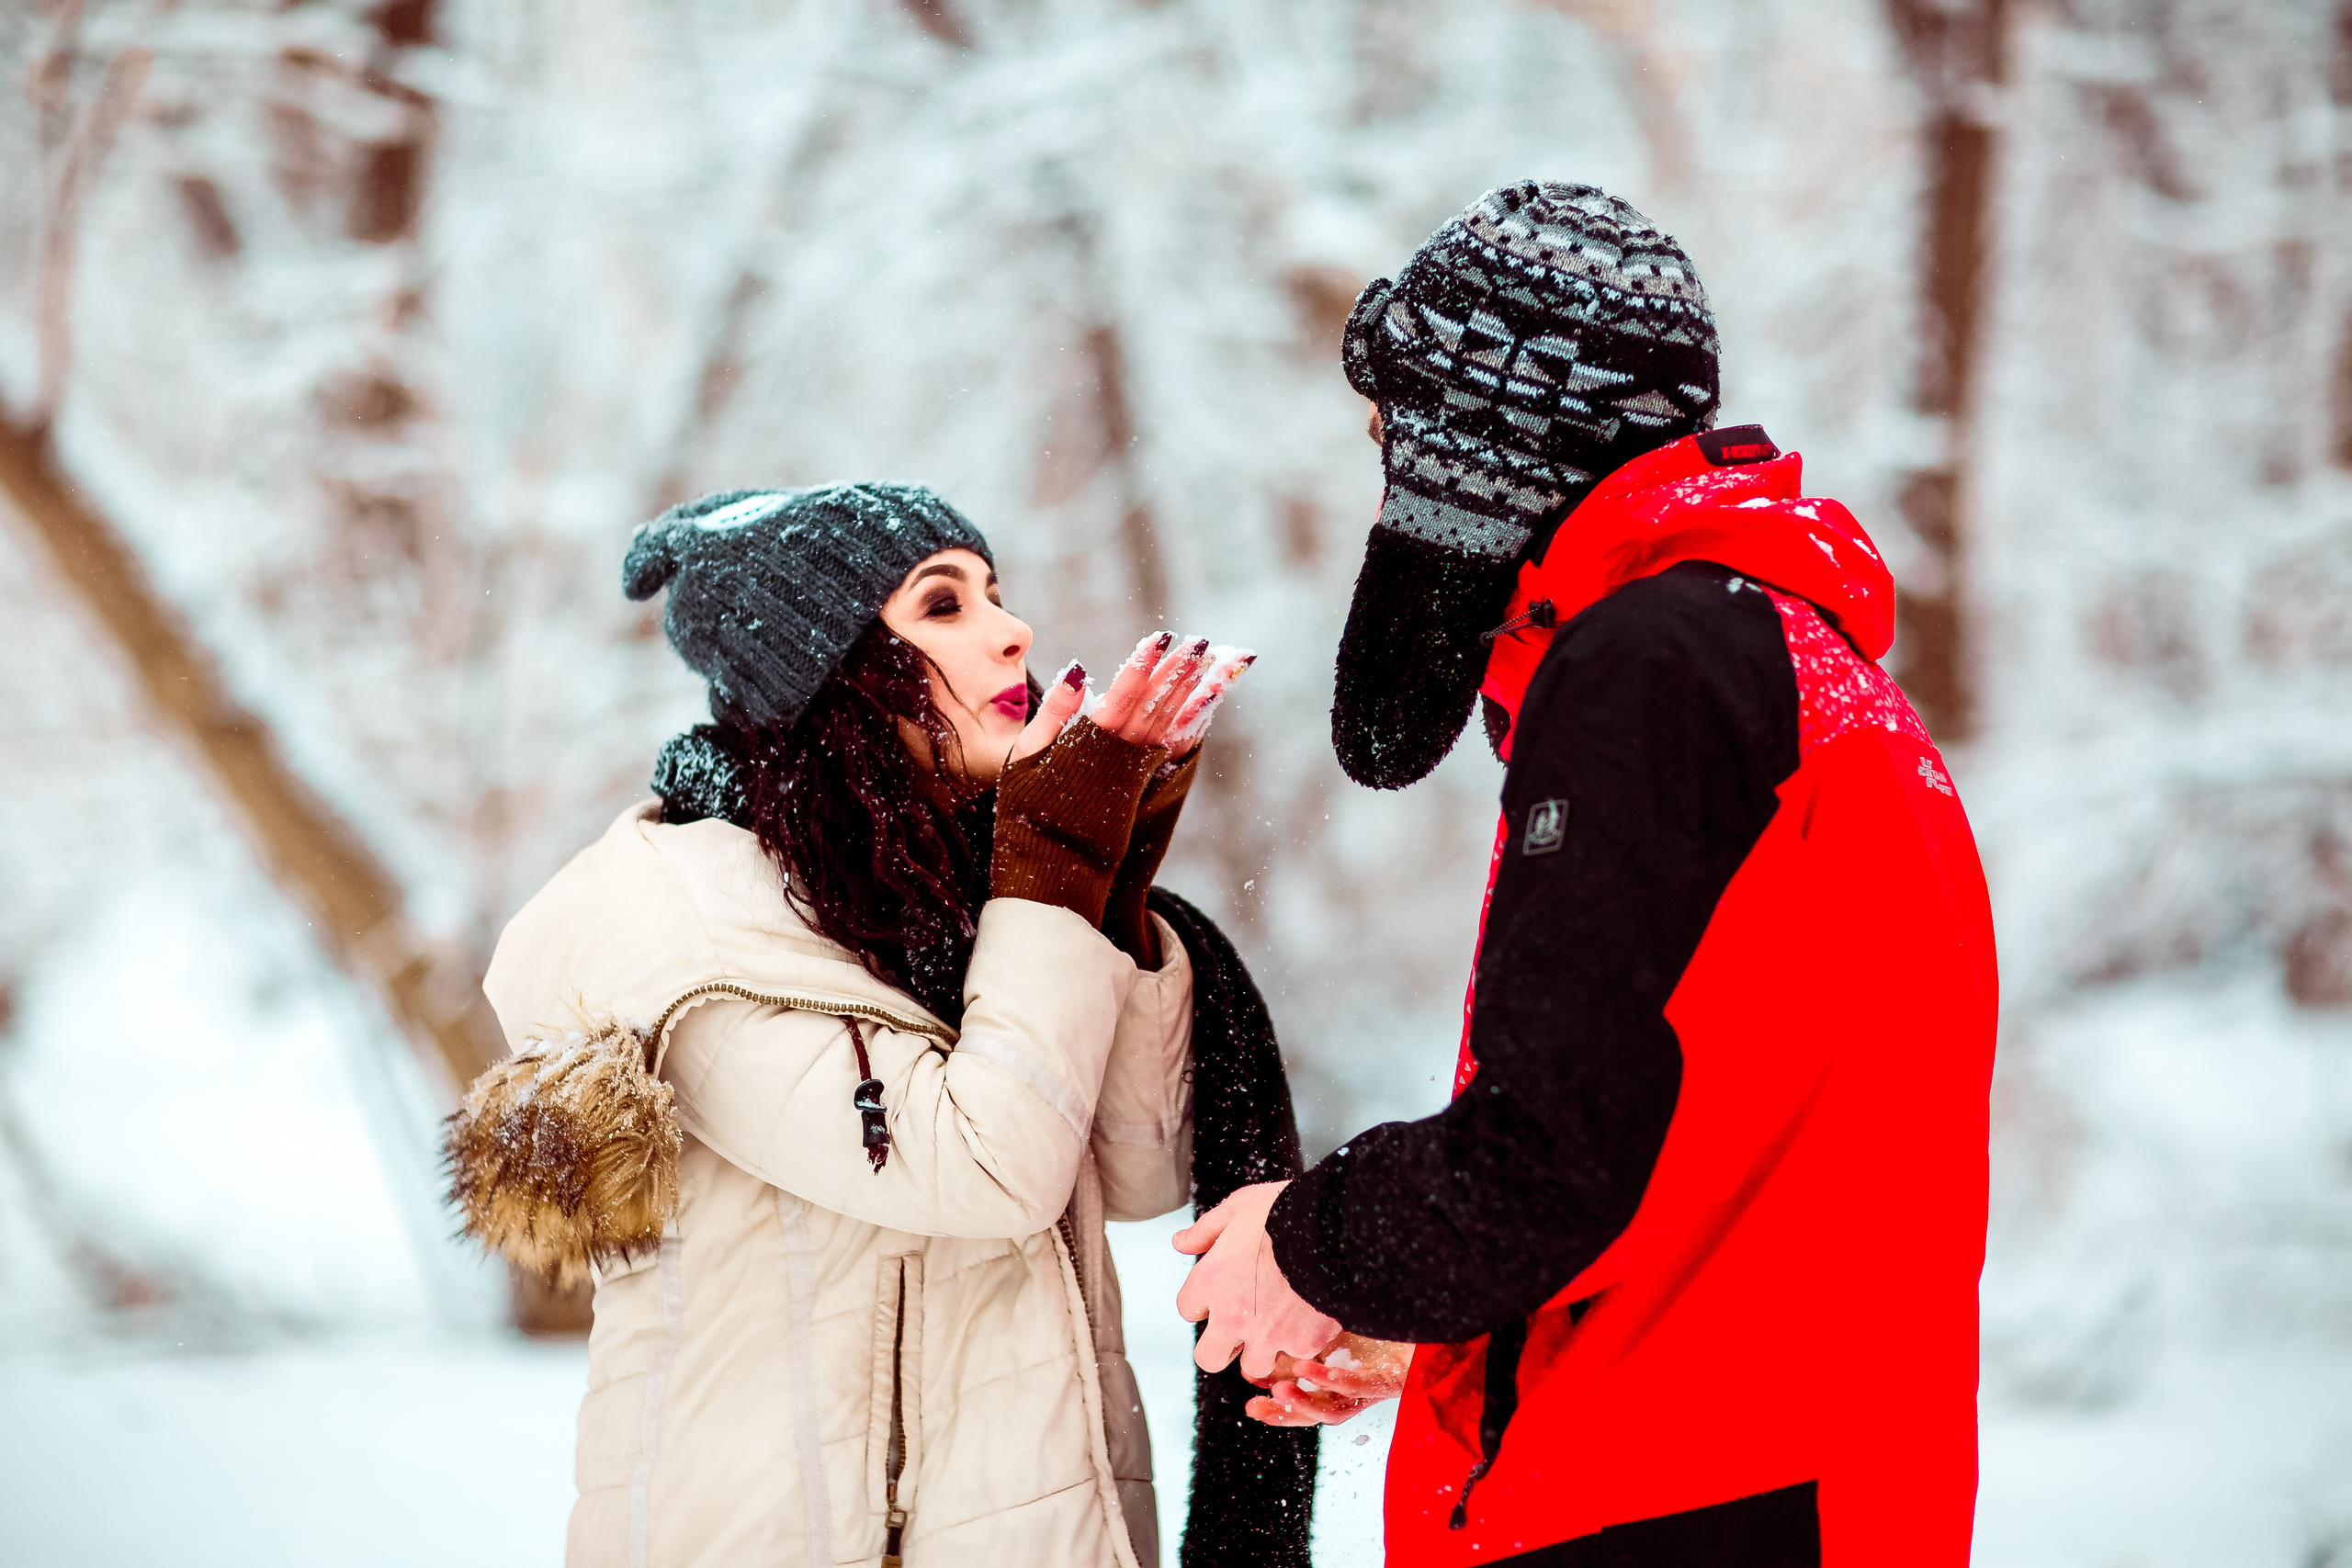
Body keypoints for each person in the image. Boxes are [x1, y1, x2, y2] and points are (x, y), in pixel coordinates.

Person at [1174, 182, 1999, 1566]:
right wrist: (1437, 1327)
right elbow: (1696, 1166)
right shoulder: (1798, 674)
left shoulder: (1654, 669)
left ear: (1476, 449)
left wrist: (1301, 1241)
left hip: (1678, 1501)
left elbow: (1541, 1160)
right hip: (1778, 1478)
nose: (1383, 480)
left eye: (1396, 437)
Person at [450, 482, 1310, 1567]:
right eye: (943, 607)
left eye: (995, 594)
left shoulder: (946, 899)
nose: (1014, 632)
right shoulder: (688, 929)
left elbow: (1137, 1172)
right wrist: (1052, 872)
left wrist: (1110, 875)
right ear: (831, 670)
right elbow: (986, 1169)